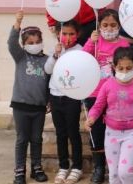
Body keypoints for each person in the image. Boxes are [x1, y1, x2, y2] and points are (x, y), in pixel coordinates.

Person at [85, 47, 133, 184]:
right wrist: (91, 118)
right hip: (111, 132)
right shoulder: (107, 85)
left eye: (129, 68)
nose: (125, 72)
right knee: (113, 175)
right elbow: (98, 106)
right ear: (114, 66)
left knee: (125, 172)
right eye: (121, 68)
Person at [82, 9, 130, 183]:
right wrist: (90, 42)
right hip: (95, 94)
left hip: (117, 95)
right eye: (105, 25)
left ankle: (118, 166)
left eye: (113, 25)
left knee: (116, 130)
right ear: (99, 26)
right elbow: (82, 60)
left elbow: (129, 66)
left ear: (119, 26)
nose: (109, 28)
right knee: (97, 131)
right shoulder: (94, 42)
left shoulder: (124, 44)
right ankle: (99, 167)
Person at [8, 10, 49, 184]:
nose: (34, 44)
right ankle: (19, 171)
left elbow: (50, 82)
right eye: (30, 42)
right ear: (24, 44)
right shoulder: (21, 57)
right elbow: (11, 43)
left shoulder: (47, 60)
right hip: (20, 106)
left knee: (36, 139)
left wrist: (49, 101)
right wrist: (17, 24)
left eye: (37, 41)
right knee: (22, 139)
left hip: (38, 107)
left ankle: (36, 168)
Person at [44, 20, 83, 184]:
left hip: (72, 97)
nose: (67, 37)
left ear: (77, 35)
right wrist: (55, 55)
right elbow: (47, 70)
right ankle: (63, 166)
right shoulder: (56, 49)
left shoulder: (80, 50)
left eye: (71, 34)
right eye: (64, 34)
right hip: (55, 95)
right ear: (58, 34)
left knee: (73, 132)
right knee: (60, 133)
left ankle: (77, 167)